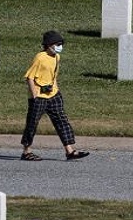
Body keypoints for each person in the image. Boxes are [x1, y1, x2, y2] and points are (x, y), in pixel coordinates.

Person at [20, 31, 89, 161]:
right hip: (39, 96)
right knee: (32, 124)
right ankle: (26, 151)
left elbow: (54, 75)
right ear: (49, 45)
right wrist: (35, 95)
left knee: (62, 121)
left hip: (53, 94)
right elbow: (29, 77)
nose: (60, 46)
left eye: (61, 44)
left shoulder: (57, 57)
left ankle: (70, 151)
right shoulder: (40, 57)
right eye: (58, 44)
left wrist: (56, 89)